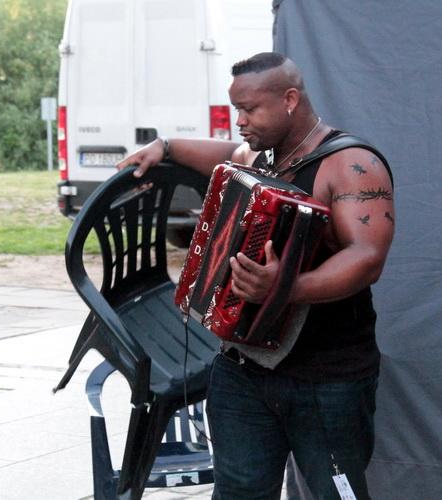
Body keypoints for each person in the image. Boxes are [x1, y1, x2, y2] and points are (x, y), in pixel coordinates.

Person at [117, 52, 394, 500]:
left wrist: (284, 288)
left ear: (290, 99)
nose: (240, 121)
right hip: (241, 371)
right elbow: (226, 154)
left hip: (327, 376)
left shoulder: (351, 164)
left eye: (249, 109)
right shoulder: (260, 156)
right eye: (236, 109)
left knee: (335, 494)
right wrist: (165, 147)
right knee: (238, 493)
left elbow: (367, 257)